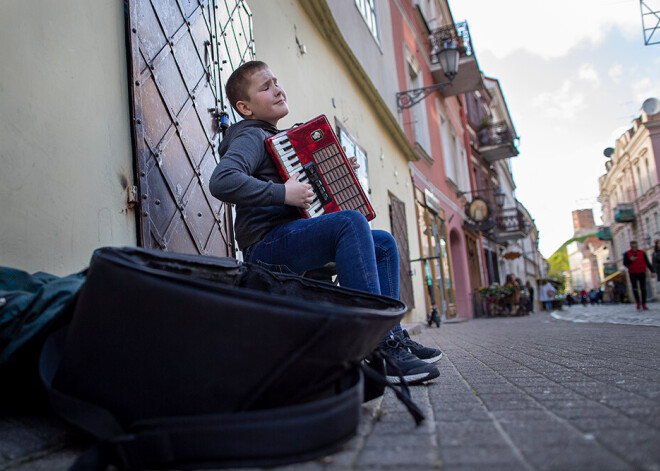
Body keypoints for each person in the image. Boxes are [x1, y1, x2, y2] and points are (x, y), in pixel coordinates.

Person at [208, 61, 441, 384]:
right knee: (349, 223)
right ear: (244, 107)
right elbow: (222, 182)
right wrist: (282, 193)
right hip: (266, 246)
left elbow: (311, 199)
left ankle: (391, 335)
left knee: (384, 244)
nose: (277, 89)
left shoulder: (281, 138)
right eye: (265, 87)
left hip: (291, 237)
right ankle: (375, 347)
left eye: (276, 81)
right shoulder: (249, 137)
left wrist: (337, 168)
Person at [623, 240, 655, 310]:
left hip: (642, 272)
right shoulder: (627, 254)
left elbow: (647, 262)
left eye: (635, 246)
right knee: (635, 288)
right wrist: (630, 260)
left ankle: (644, 303)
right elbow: (625, 264)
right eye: (633, 246)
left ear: (637, 246)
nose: (634, 247)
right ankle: (638, 302)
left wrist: (652, 271)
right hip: (632, 273)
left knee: (643, 288)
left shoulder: (642, 253)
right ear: (631, 246)